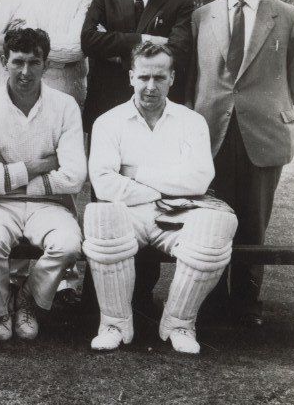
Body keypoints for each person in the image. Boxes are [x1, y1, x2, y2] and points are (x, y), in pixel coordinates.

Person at [85, 41, 237, 354]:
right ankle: (114, 324)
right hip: (131, 214)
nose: (151, 86)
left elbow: (200, 178)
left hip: (180, 213)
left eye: (159, 77)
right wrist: (163, 188)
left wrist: (135, 172)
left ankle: (179, 324)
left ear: (172, 79)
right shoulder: (108, 122)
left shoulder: (191, 121)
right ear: (131, 77)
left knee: (218, 224)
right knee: (101, 216)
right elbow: (104, 184)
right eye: (144, 77)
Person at [187, 0, 294, 327]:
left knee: (253, 222)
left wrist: (262, 106)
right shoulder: (202, 17)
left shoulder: (290, 16)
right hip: (212, 132)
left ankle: (247, 304)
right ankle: (213, 300)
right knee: (212, 218)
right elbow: (195, 78)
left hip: (263, 134)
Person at [81, 0, 195, 311]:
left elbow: (179, 51)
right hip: (108, 114)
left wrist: (116, 41)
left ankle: (141, 296)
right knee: (106, 201)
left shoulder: (179, 2)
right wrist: (145, 41)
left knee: (148, 200)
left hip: (152, 117)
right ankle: (97, 298)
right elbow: (89, 41)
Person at [0, 28, 86, 342]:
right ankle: (1, 311)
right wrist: (42, 165)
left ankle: (28, 298)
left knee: (68, 245)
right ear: (3, 62)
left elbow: (74, 177)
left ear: (47, 64)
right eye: (18, 61)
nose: (25, 71)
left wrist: (7, 177)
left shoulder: (66, 106)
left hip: (49, 204)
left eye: (34, 62)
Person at [11, 0, 94, 299]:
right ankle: (16, 273)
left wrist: (29, 45)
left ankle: (65, 278)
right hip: (21, 100)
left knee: (63, 183)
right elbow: (8, 44)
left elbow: (77, 47)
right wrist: (43, 50)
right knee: (19, 178)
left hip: (65, 98)